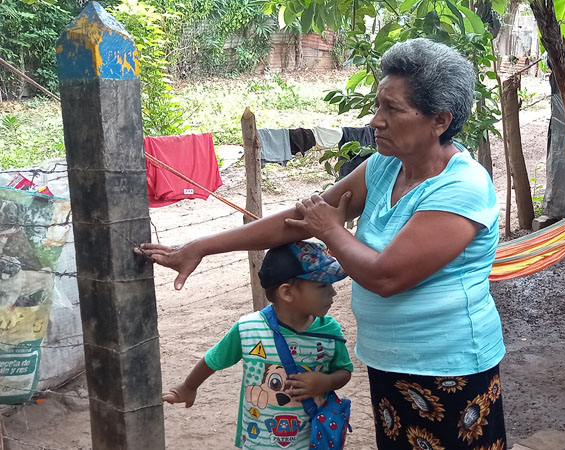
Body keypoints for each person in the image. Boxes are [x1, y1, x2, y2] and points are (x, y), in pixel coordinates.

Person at [141, 37, 507, 449]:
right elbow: (299, 221)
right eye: (377, 105)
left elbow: (386, 277)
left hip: (448, 368)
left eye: (392, 109)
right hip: (390, 360)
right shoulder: (385, 166)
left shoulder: (462, 187)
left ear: (440, 120)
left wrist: (331, 230)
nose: (374, 120)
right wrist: (202, 246)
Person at [161, 241, 354, 449]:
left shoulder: (330, 331)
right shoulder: (249, 329)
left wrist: (326, 382)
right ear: (287, 292)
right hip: (258, 441)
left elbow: (344, 370)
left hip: (311, 442)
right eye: (323, 286)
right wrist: (189, 387)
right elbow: (213, 359)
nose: (333, 293)